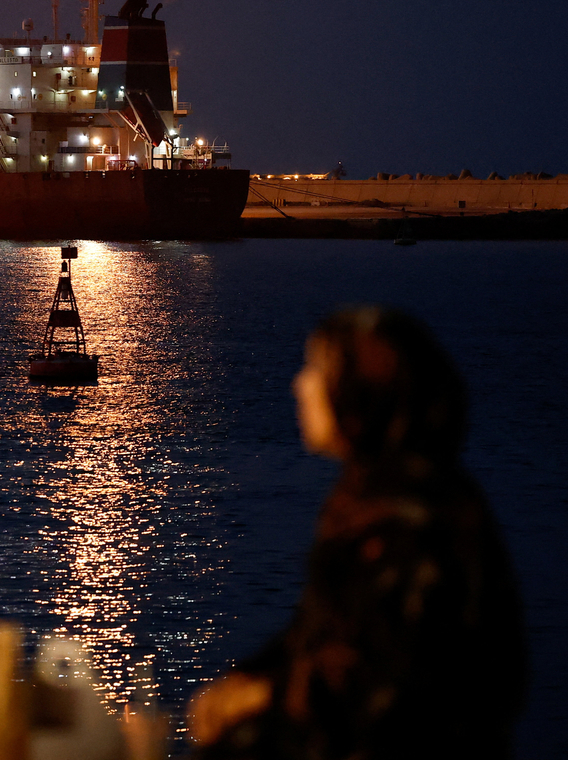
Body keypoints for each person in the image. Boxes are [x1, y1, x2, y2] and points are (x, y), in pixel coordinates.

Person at [187, 307, 526, 759]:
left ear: (362, 392)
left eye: (316, 371)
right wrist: (250, 679)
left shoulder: (407, 522)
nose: (299, 385)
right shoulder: (371, 499)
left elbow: (391, 682)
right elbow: (322, 633)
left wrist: (263, 697)